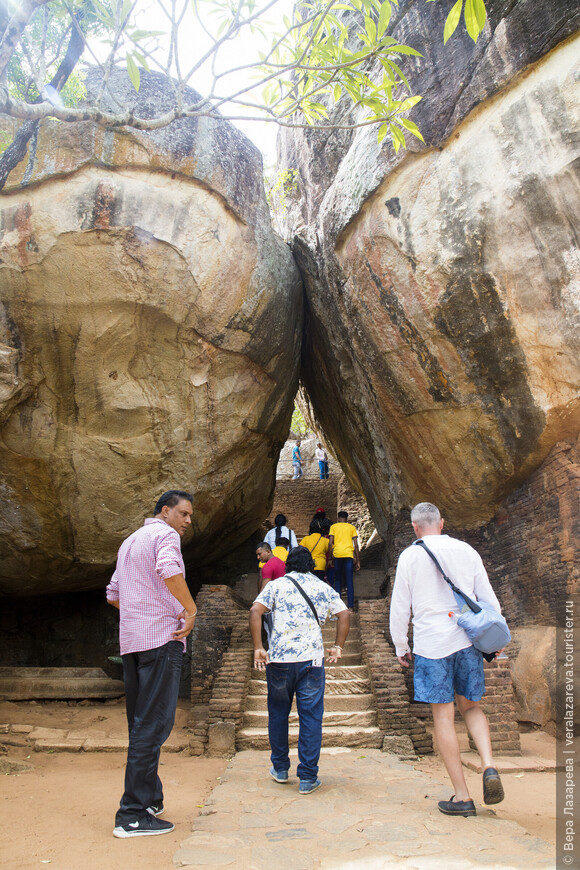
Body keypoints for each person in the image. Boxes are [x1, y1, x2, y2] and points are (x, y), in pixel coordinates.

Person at [390, 502, 505, 818]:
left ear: (416, 527)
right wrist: (494, 637)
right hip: (467, 640)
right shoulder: (466, 551)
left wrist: (401, 644)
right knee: (471, 706)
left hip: (431, 644)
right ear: (441, 522)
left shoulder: (411, 556)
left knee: (443, 717)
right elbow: (487, 599)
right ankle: (489, 764)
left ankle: (462, 796)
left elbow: (401, 606)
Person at [106, 490, 197, 839]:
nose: (188, 521)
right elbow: (170, 569)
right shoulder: (164, 535)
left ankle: (150, 799)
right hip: (161, 640)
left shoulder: (130, 541)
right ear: (165, 511)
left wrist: (141, 609)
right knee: (155, 723)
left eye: (190, 516)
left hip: (132, 642)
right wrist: (189, 610)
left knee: (142, 723)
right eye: (184, 513)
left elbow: (114, 594)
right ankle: (131, 814)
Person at [249, 546, 350, 794]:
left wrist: (258, 647)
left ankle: (281, 769)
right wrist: (337, 647)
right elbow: (344, 614)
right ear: (310, 565)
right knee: (311, 717)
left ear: (287, 566)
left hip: (279, 660)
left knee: (278, 714)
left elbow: (255, 611)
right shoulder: (322, 587)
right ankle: (307, 777)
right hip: (311, 662)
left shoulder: (276, 585)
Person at [328, 511, 360, 610]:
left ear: (338, 518)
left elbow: (330, 543)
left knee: (337, 579)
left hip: (337, 554)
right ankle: (350, 606)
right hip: (349, 555)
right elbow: (356, 544)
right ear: (347, 518)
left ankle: (338, 606)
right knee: (349, 579)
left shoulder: (334, 527)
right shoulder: (351, 528)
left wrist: (330, 557)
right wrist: (358, 560)